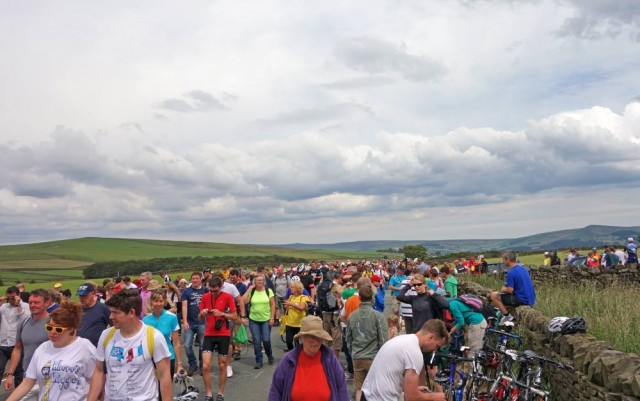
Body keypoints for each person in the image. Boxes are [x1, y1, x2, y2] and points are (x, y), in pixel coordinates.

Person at [88, 289, 172, 401]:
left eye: (116, 312)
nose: (111, 317)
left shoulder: (154, 336)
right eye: (111, 312)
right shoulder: (106, 335)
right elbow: (98, 371)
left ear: (131, 313)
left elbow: (164, 375)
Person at [7, 302, 96, 401]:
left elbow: (96, 379)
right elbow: (28, 382)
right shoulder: (42, 349)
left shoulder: (84, 347)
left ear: (71, 329)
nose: (52, 332)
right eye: (49, 328)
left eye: (58, 330)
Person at [360, 320, 449, 401]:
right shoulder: (414, 352)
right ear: (430, 337)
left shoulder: (403, 339)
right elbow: (411, 397)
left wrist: (408, 388)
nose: (434, 350)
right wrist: (434, 396)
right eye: (437, 346)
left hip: (368, 395)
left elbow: (391, 374)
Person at [268, 315, 349, 401]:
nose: (316, 341)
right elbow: (275, 392)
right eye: (311, 337)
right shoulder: (289, 360)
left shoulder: (330, 359)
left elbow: (341, 390)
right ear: (302, 338)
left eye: (319, 337)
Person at [3, 289, 52, 396]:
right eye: (30, 302)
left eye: (37, 302)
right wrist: (10, 374)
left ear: (47, 303)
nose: (32, 305)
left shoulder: (54, 323)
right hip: (28, 377)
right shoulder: (24, 322)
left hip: (50, 377)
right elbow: (18, 349)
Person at [198, 277, 237, 401]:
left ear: (221, 287)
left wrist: (222, 314)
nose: (213, 293)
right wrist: (202, 313)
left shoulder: (227, 297)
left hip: (223, 334)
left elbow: (235, 316)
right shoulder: (205, 297)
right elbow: (199, 318)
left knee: (221, 366)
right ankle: (209, 394)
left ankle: (220, 393)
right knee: (205, 366)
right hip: (209, 334)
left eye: (215, 291)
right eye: (211, 290)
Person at [346, 286, 388, 401]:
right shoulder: (378, 316)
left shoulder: (352, 316)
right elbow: (383, 339)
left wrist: (352, 352)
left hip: (357, 356)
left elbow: (348, 338)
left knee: (359, 387)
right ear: (372, 298)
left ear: (359, 298)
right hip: (373, 357)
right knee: (374, 387)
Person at [143, 290, 183, 379]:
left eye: (161, 301)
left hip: (167, 356)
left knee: (166, 388)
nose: (158, 304)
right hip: (151, 358)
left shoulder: (172, 317)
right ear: (151, 302)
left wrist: (179, 364)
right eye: (155, 301)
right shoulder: (145, 320)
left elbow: (176, 343)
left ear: (164, 302)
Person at [490, 250, 537, 325]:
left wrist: (503, 289)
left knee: (494, 295)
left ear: (507, 259)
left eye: (503, 259)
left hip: (522, 299)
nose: (502, 261)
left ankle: (506, 316)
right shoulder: (523, 269)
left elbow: (510, 290)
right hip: (531, 299)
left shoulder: (511, 272)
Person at [243, 274, 276, 369]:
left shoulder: (268, 291)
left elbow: (273, 305)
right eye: (258, 280)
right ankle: (259, 360)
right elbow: (243, 301)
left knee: (266, 340)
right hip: (254, 320)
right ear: (254, 282)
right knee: (257, 341)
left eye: (262, 280)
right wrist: (249, 289)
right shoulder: (252, 291)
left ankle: (269, 355)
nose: (260, 282)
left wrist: (272, 318)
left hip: (266, 319)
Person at [0, 287, 30, 384]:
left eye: (13, 297)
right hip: (2, 344)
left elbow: (25, 320)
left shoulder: (26, 306)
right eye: (9, 298)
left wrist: (18, 305)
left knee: (18, 372)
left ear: (18, 295)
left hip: (16, 344)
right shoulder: (4, 307)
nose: (11, 300)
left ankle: (19, 396)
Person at [181, 271, 208, 376]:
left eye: (197, 278)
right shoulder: (186, 292)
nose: (195, 280)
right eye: (193, 278)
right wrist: (185, 321)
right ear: (191, 279)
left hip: (203, 322)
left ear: (200, 279)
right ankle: (193, 364)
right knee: (187, 346)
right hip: (190, 323)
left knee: (202, 346)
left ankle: (202, 365)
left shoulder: (205, 290)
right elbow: (184, 306)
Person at [77, 283, 111, 347]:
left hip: (96, 349)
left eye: (84, 296)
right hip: (79, 349)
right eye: (80, 295)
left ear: (93, 294)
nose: (81, 298)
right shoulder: (77, 309)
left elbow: (114, 326)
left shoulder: (103, 308)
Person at [283, 281, 311, 351]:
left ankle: (298, 356)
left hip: (299, 324)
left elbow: (301, 307)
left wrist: (291, 304)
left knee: (298, 343)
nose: (290, 288)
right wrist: (286, 305)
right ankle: (292, 353)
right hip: (289, 323)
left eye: (292, 287)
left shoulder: (303, 297)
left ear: (297, 288)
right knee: (289, 342)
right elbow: (286, 305)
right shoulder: (291, 297)